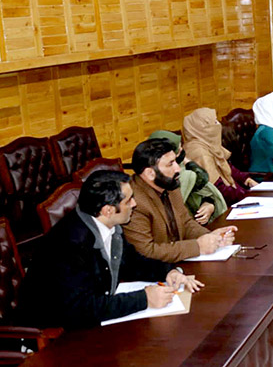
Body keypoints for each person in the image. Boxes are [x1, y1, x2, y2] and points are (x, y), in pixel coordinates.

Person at [16, 170, 204, 329]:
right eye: (129, 200)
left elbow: (132, 261)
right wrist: (144, 299)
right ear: (108, 210)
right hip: (56, 333)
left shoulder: (109, 225)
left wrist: (167, 272)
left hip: (92, 317)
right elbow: (79, 307)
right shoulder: (70, 244)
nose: (134, 204)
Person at [124, 138, 237, 263]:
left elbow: (186, 222)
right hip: (152, 274)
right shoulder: (132, 202)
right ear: (150, 173)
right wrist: (198, 247)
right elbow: (146, 251)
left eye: (176, 162)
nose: (177, 169)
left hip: (177, 264)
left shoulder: (169, 185)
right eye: (170, 164)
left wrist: (211, 237)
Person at [183, 108, 259, 206]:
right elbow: (218, 188)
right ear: (203, 128)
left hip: (235, 197)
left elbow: (226, 166)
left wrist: (247, 180)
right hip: (223, 205)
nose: (218, 125)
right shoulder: (199, 152)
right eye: (214, 122)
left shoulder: (206, 142)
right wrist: (247, 196)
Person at [149, 130, 226, 225]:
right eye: (178, 148)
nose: (182, 150)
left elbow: (201, 192)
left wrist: (209, 203)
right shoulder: (183, 175)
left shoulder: (184, 167)